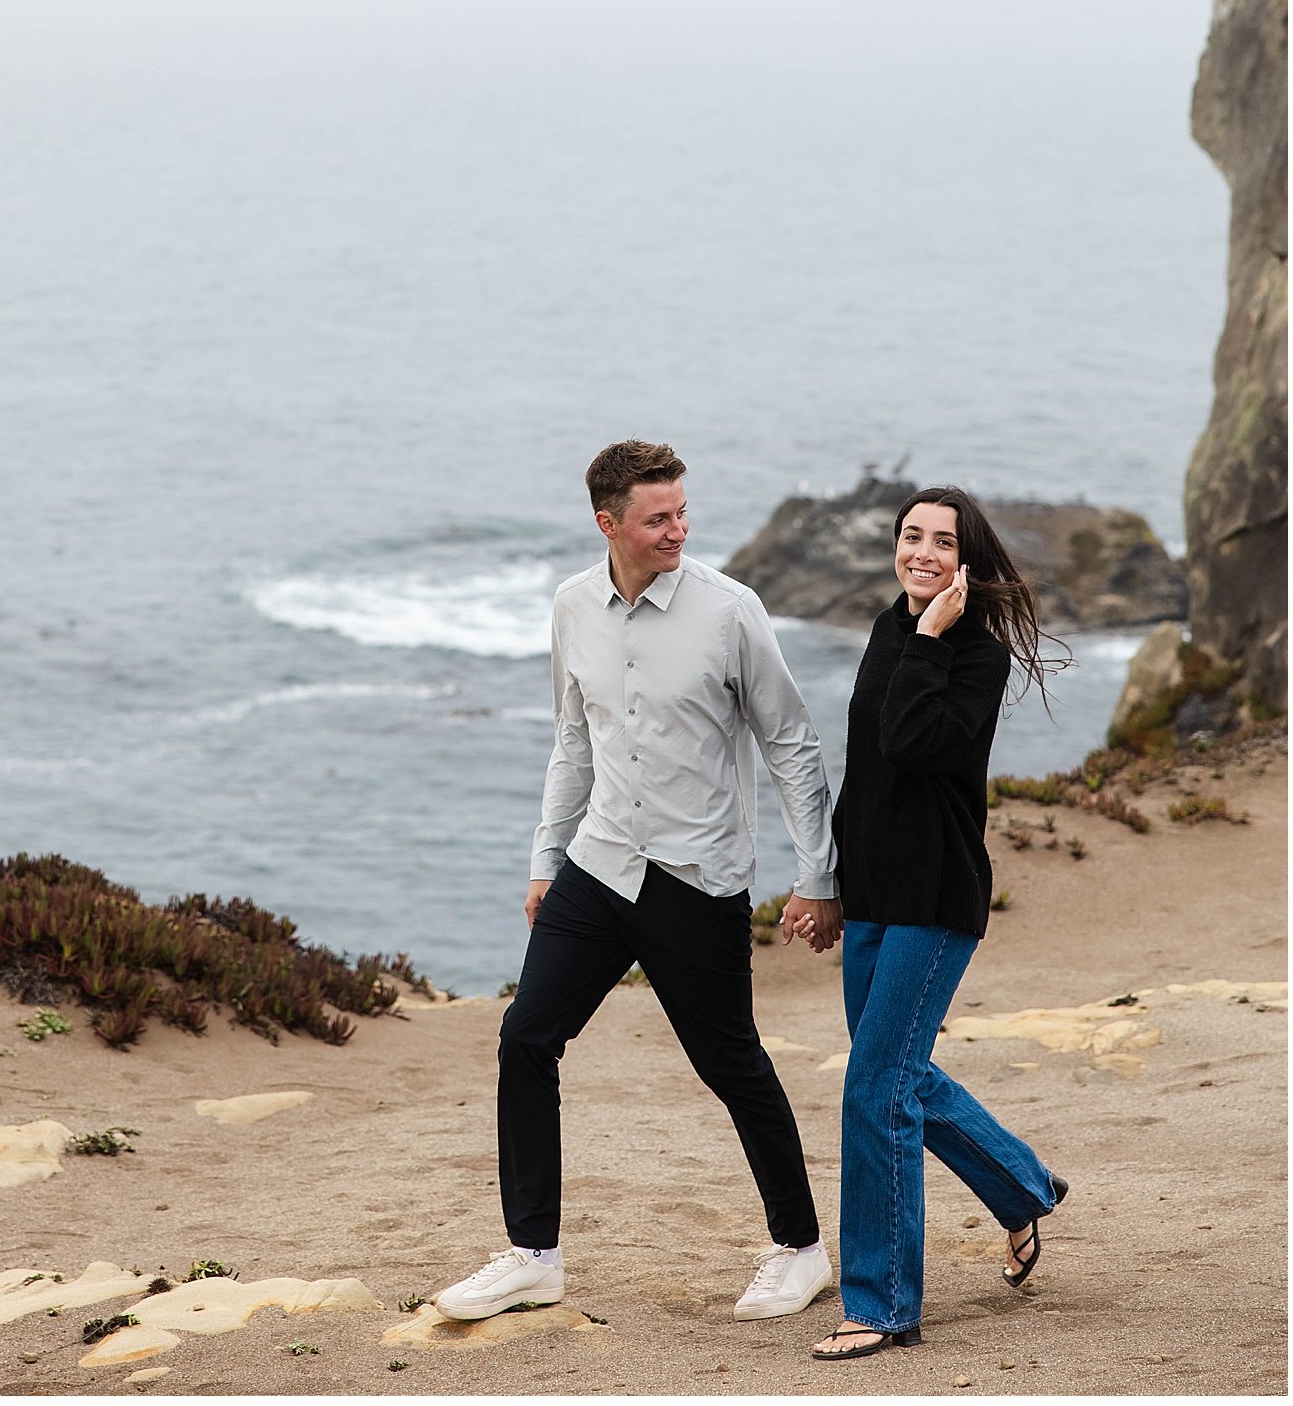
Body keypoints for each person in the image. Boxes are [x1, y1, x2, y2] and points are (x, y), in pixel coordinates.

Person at [433, 438, 841, 1326]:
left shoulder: (731, 611)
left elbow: (792, 744)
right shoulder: (572, 605)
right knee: (526, 1037)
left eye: (683, 512)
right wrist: (546, 860)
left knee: (730, 1064)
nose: (678, 530)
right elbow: (572, 739)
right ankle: (533, 1256)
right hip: (601, 863)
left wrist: (817, 875)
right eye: (658, 518)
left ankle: (801, 1248)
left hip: (697, 877)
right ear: (607, 523)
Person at [805, 486, 1070, 1363]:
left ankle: (882, 1304)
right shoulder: (890, 628)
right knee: (897, 1075)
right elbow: (866, 770)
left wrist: (928, 639)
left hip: (936, 896)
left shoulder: (976, 657)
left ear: (967, 562)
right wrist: (829, 884)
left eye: (942, 541)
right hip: (873, 895)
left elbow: (916, 741)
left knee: (875, 1088)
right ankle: (1022, 1187)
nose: (921, 551)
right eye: (910, 535)